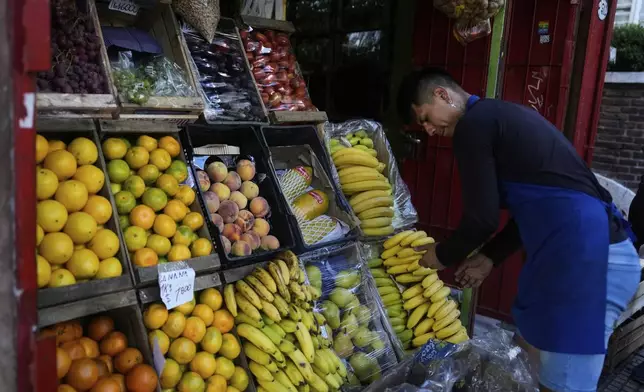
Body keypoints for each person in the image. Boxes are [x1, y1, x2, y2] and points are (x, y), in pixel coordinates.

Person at [396, 67, 640, 392]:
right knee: (535, 363)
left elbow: (481, 218)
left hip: (587, 261)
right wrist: (490, 257)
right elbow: (537, 204)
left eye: (425, 117)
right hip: (586, 252)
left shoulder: (473, 124)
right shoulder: (499, 117)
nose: (427, 130)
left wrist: (440, 255)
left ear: (443, 94)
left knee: (564, 385)